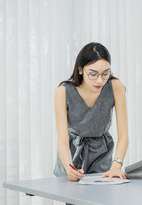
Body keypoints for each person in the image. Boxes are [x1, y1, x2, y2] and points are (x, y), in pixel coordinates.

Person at [53, 42, 129, 181]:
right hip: (71, 154)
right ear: (81, 69)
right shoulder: (63, 92)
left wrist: (116, 165)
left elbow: (124, 134)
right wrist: (69, 167)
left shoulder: (116, 87)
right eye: (93, 74)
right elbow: (62, 140)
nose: (100, 80)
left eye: (105, 73)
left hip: (101, 153)